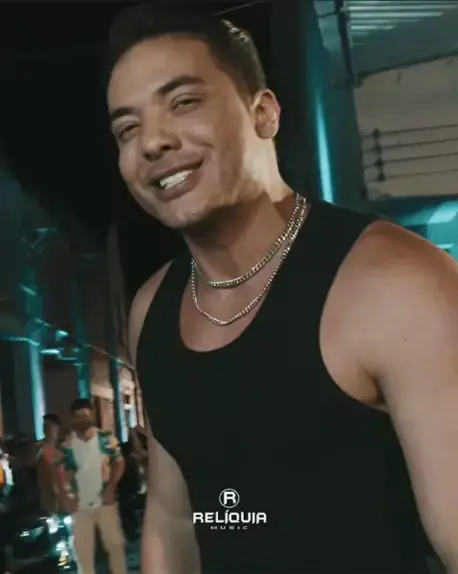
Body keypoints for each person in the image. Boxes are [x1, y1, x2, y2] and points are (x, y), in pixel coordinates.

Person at [106, 5, 458, 574]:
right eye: (128, 128)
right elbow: (175, 520)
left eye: (184, 102)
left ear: (264, 113)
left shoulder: (396, 283)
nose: (152, 143)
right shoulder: (151, 309)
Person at [54, 399, 127, 574]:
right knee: (83, 553)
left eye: (85, 415)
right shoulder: (66, 445)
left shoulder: (106, 439)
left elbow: (119, 462)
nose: (82, 420)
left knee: (115, 546)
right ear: (72, 418)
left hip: (105, 502)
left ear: (92, 415)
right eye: (77, 416)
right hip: (80, 506)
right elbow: (58, 471)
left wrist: (111, 487)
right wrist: (65, 494)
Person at [36, 413, 62, 514]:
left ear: (56, 427)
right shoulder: (39, 448)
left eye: (48, 426)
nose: (45, 429)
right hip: (47, 494)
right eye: (44, 426)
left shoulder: (64, 446)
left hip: (63, 493)